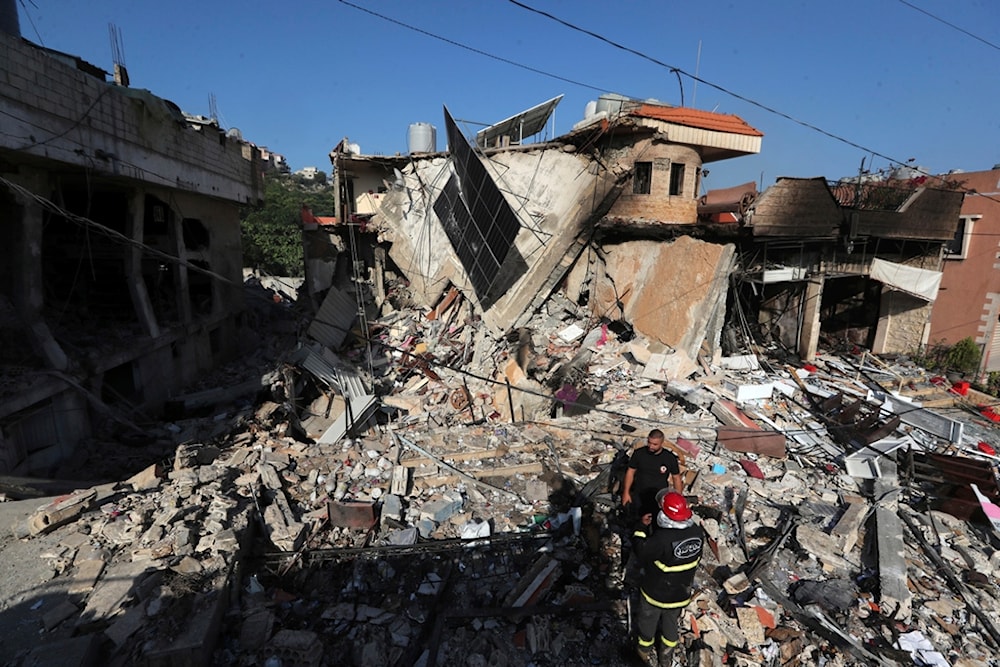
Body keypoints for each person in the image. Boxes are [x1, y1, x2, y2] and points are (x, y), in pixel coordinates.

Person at [632, 490, 704, 667]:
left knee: (647, 623)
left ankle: (644, 652)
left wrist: (640, 529)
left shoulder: (662, 539)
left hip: (655, 593)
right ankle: (666, 657)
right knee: (671, 625)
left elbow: (641, 552)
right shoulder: (697, 532)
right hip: (680, 593)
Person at [621, 429, 683, 527]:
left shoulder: (669, 458)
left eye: (655, 444)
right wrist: (626, 492)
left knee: (657, 523)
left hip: (659, 498)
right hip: (639, 495)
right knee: (637, 522)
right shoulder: (639, 454)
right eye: (649, 443)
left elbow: (676, 478)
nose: (651, 446)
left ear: (661, 443)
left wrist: (678, 498)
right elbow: (630, 472)